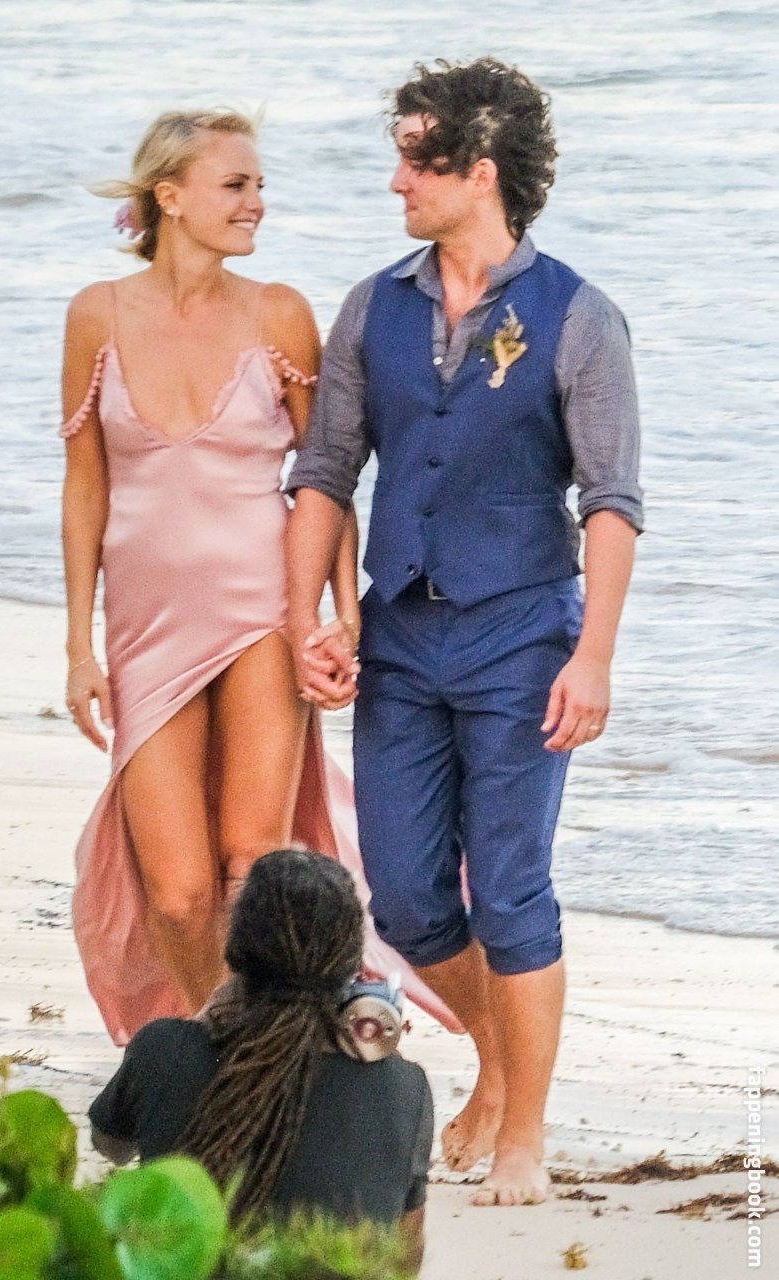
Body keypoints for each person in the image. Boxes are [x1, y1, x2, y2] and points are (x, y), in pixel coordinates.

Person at [285, 58, 643, 1207]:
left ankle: (523, 1132)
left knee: (511, 887)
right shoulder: (371, 306)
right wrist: (309, 618)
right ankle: (499, 1052)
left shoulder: (578, 316)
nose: (396, 182)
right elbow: (326, 471)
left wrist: (593, 656)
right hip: (401, 634)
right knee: (402, 895)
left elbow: (611, 500)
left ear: (477, 172)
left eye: (415, 162)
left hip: (523, 635)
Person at [61, 109, 456, 1048]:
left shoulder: (277, 312)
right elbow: (84, 485)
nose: (256, 204)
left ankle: (255, 1058)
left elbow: (328, 475)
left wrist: (337, 611)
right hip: (146, 624)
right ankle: (217, 1042)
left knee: (253, 865)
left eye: (259, 186)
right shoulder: (96, 314)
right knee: (178, 889)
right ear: (169, 196)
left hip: (262, 613)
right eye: (235, 185)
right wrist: (78, 643)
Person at [89, 849, 432, 1270]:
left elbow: (110, 1146)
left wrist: (204, 1018)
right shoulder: (404, 1087)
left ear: (235, 949)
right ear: (350, 964)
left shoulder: (164, 1049)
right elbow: (404, 1258)